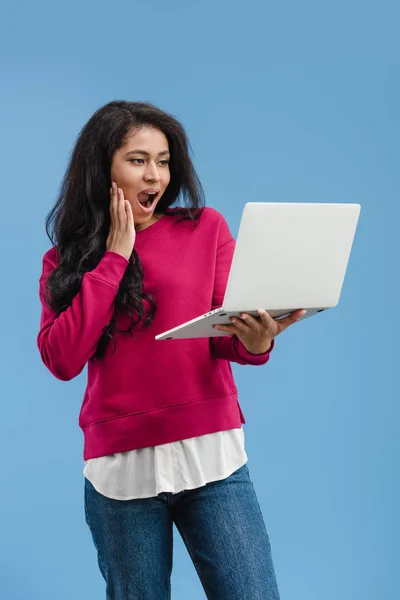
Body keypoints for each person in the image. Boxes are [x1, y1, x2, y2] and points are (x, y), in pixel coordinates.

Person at [37, 100, 305, 600]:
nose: (154, 175)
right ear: (103, 168)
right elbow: (62, 358)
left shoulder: (205, 229)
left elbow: (227, 334)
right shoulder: (65, 260)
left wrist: (257, 340)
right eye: (137, 160)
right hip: (120, 475)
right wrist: (115, 257)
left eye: (162, 161)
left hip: (212, 460)